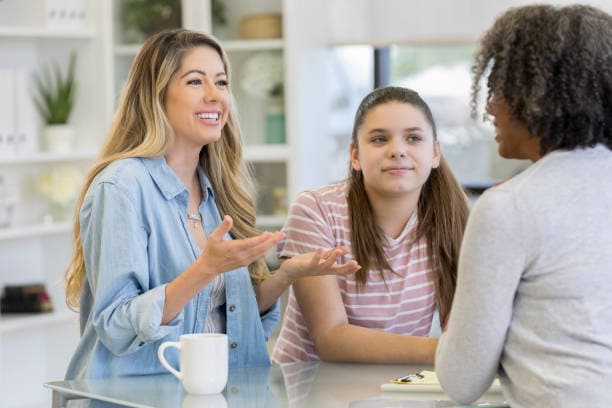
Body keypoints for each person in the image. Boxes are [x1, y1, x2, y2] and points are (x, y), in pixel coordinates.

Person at [63, 28, 360, 379]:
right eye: (194, 82)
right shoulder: (123, 187)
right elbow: (115, 324)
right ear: (156, 95)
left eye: (220, 83)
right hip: (132, 399)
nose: (214, 96)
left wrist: (288, 274)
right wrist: (205, 269)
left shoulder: (215, 191)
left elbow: (228, 314)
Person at [435, 4, 612, 407]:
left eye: (498, 87)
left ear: (534, 96)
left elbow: (462, 381)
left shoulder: (509, 206)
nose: (489, 108)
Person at [271, 86, 470, 364]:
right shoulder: (316, 210)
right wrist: (448, 352)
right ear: (355, 156)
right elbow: (331, 339)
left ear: (435, 153)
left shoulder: (452, 216)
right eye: (379, 139)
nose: (398, 150)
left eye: (413, 138)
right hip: (309, 391)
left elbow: (462, 327)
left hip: (400, 389)